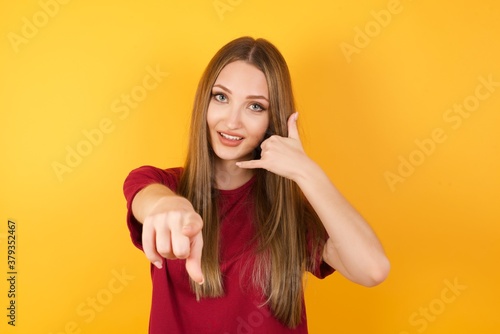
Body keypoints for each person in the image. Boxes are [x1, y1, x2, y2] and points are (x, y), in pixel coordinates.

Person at [123, 36, 390, 333]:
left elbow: (373, 269)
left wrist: (307, 171)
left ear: (272, 120)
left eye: (255, 107)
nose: (232, 121)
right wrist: (168, 206)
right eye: (221, 97)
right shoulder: (162, 184)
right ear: (205, 102)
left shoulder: (290, 215)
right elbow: (147, 199)